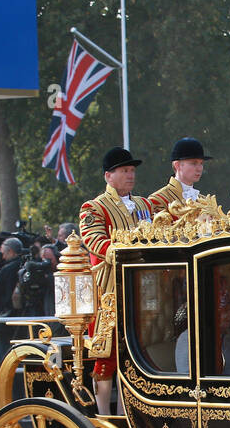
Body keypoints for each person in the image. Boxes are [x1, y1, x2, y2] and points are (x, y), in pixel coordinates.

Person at [79, 146, 152, 413]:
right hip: (109, 292)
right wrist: (133, 249)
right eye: (124, 171)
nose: (130, 176)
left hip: (143, 289)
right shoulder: (94, 207)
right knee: (106, 357)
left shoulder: (143, 204)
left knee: (134, 356)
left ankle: (127, 415)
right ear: (108, 176)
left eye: (132, 171)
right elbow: (95, 241)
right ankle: (105, 416)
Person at [147, 137, 213, 216]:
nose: (199, 169)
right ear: (177, 165)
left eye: (201, 163)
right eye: (194, 163)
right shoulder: (159, 200)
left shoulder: (205, 201)